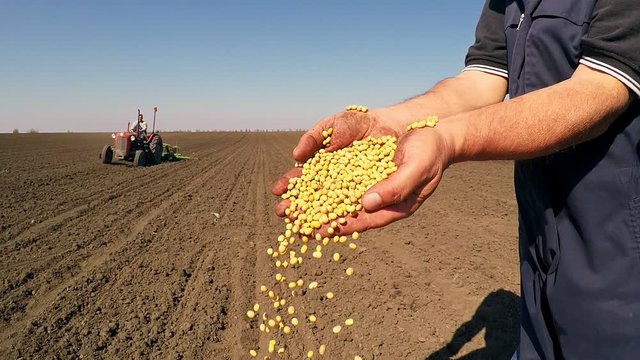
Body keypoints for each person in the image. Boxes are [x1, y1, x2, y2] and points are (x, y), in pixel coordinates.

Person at [272, 0, 640, 358]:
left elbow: (599, 90)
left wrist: (447, 139)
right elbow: (481, 81)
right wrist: (385, 122)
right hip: (539, 234)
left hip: (614, 239)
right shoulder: (505, 3)